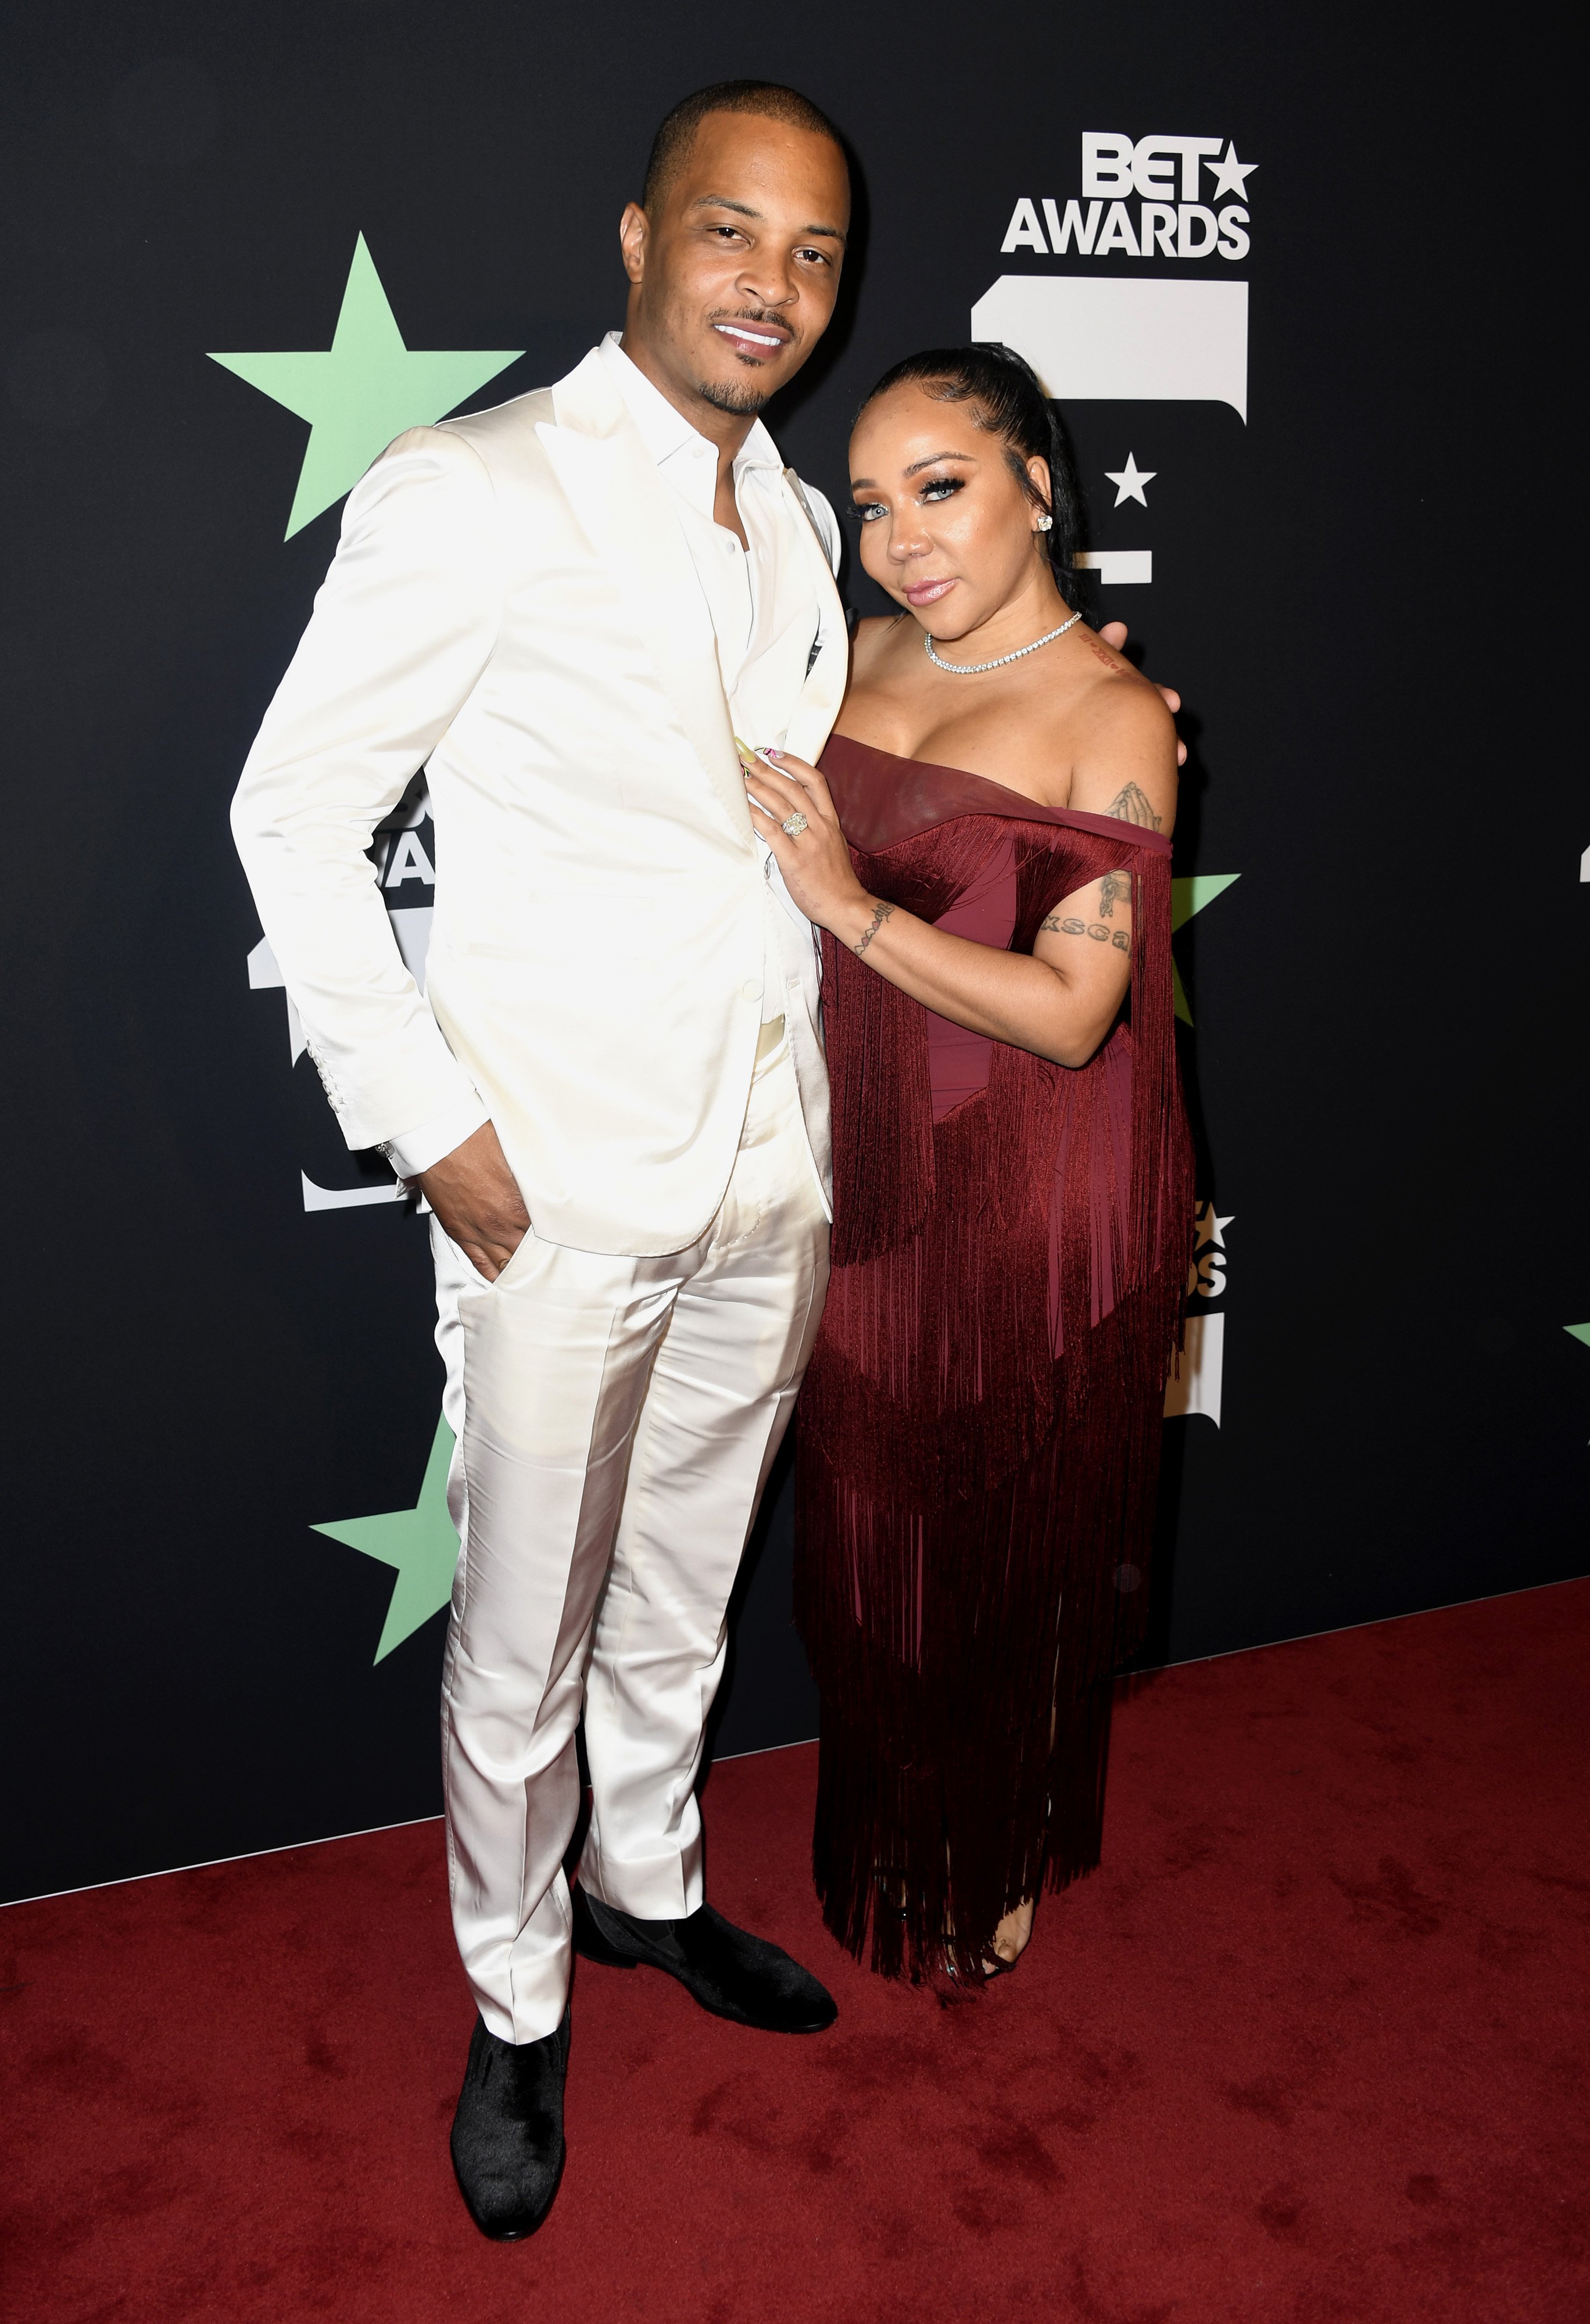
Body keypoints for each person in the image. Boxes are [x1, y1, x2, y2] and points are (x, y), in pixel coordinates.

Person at [231, 83, 859, 2240]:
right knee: (525, 1629)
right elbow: (294, 816)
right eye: (731, 233)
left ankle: (648, 1886)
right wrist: (432, 1123)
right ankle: (514, 2002)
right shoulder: (475, 486)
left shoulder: (796, 522)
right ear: (637, 238)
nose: (771, 286)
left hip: (770, 1169)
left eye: (813, 255)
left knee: (683, 1579)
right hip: (555, 1185)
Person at [737, 345, 1194, 1985]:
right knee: (867, 1537)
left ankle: (992, 1831)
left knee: (999, 1542)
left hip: (1028, 1197)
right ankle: (895, 1801)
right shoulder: (851, 651)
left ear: (1038, 486)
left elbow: (1078, 1016)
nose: (901, 534)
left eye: (943, 486)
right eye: (871, 501)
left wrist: (844, 902)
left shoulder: (1115, 714)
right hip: (864, 1174)